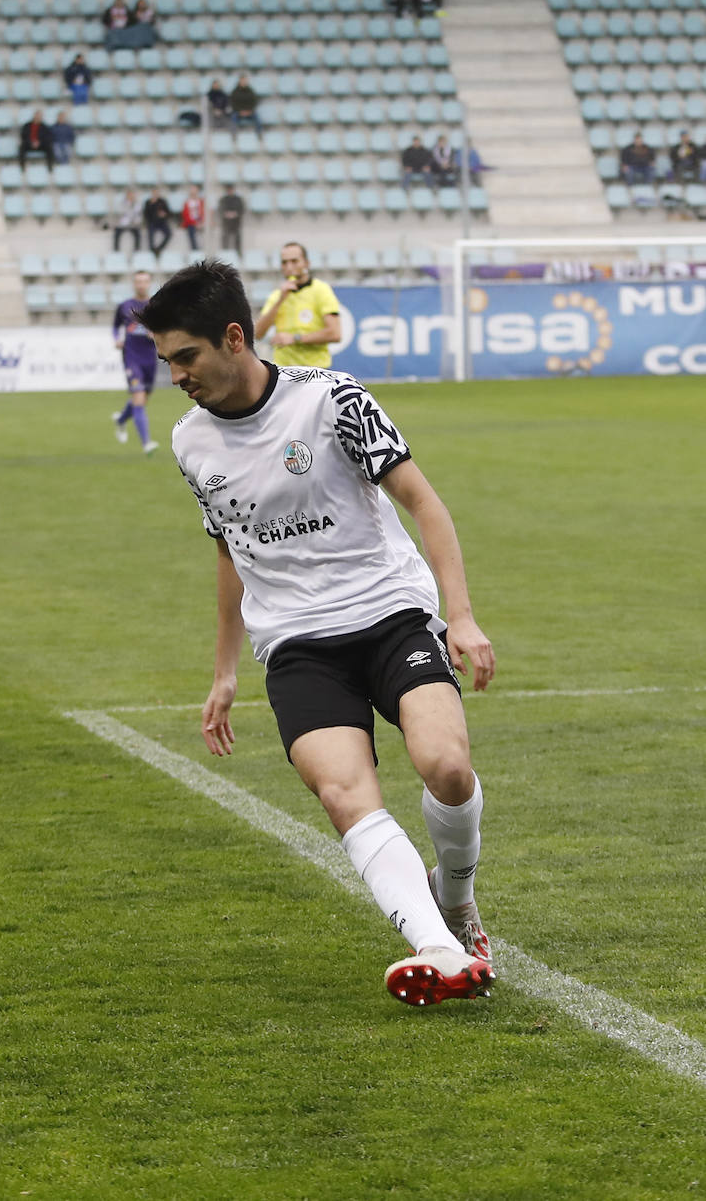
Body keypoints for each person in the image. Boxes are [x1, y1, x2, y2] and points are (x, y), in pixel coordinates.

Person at [142, 258, 497, 1008]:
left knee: (448, 767)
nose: (173, 374)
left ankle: (455, 899)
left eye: (185, 356)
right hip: (297, 642)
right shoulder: (189, 442)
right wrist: (225, 670)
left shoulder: (334, 400)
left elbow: (424, 503)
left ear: (234, 337)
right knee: (343, 791)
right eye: (165, 359)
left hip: (389, 612)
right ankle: (435, 943)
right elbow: (229, 552)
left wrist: (459, 615)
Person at [254, 241, 342, 368]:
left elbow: (335, 333)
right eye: (284, 262)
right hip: (285, 371)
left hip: (315, 371)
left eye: (294, 261)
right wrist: (280, 300)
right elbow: (258, 333)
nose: (289, 266)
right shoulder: (277, 295)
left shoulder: (321, 290)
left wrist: (295, 338)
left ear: (307, 263)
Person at [111, 269, 159, 457]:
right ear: (134, 284)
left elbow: (164, 327)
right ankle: (146, 443)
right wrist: (116, 338)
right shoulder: (125, 306)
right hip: (131, 357)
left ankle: (121, 420)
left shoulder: (155, 306)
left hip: (150, 358)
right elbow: (116, 326)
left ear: (149, 283)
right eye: (138, 281)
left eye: (144, 281)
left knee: (141, 400)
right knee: (138, 397)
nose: (141, 284)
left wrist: (156, 333)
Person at [143, 187, 172, 258]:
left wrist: (164, 214)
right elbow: (146, 214)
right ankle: (152, 249)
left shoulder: (162, 202)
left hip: (161, 222)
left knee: (169, 233)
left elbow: (168, 213)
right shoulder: (148, 202)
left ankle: (159, 248)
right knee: (150, 233)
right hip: (152, 222)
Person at [112, 188, 142, 253]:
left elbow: (138, 215)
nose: (131, 196)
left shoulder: (137, 204)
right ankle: (116, 251)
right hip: (123, 224)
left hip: (133, 224)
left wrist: (136, 221)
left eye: (132, 195)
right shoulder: (122, 203)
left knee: (137, 234)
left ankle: (137, 251)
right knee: (117, 233)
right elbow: (121, 213)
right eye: (129, 195)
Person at [217, 184, 245, 254]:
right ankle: (225, 252)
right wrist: (226, 214)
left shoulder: (238, 199)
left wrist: (235, 214)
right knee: (225, 237)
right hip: (226, 222)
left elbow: (241, 209)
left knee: (237, 237)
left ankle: (238, 253)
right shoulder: (223, 199)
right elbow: (221, 209)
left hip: (236, 222)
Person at [181, 184, 207, 252]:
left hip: (200, 222)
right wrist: (195, 223)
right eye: (192, 190)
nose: (193, 191)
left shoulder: (201, 201)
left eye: (195, 190)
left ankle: (203, 250)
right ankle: (195, 251)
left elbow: (203, 213)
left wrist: (200, 222)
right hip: (191, 223)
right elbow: (186, 216)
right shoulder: (187, 202)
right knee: (191, 232)